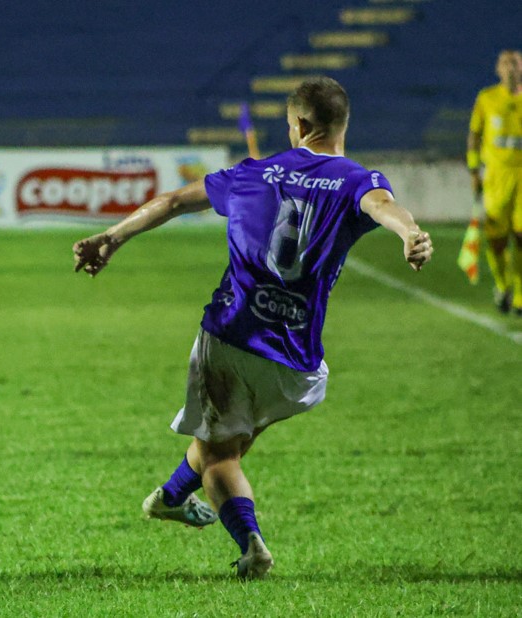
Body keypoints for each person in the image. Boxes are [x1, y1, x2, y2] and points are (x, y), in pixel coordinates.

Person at [73, 77, 433, 580]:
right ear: (342, 125)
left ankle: (252, 547)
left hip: (232, 335)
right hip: (296, 357)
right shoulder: (357, 179)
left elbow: (176, 200)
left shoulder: (254, 173)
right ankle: (170, 497)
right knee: (232, 436)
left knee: (222, 457)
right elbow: (384, 206)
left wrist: (112, 237)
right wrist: (411, 234)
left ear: (300, 126)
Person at [467, 49, 522, 315]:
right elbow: (475, 135)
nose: (510, 67)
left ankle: (521, 296)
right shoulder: (487, 98)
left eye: (515, 62)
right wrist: (474, 170)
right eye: (505, 63)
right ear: (498, 70)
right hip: (496, 179)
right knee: (497, 240)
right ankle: (503, 285)